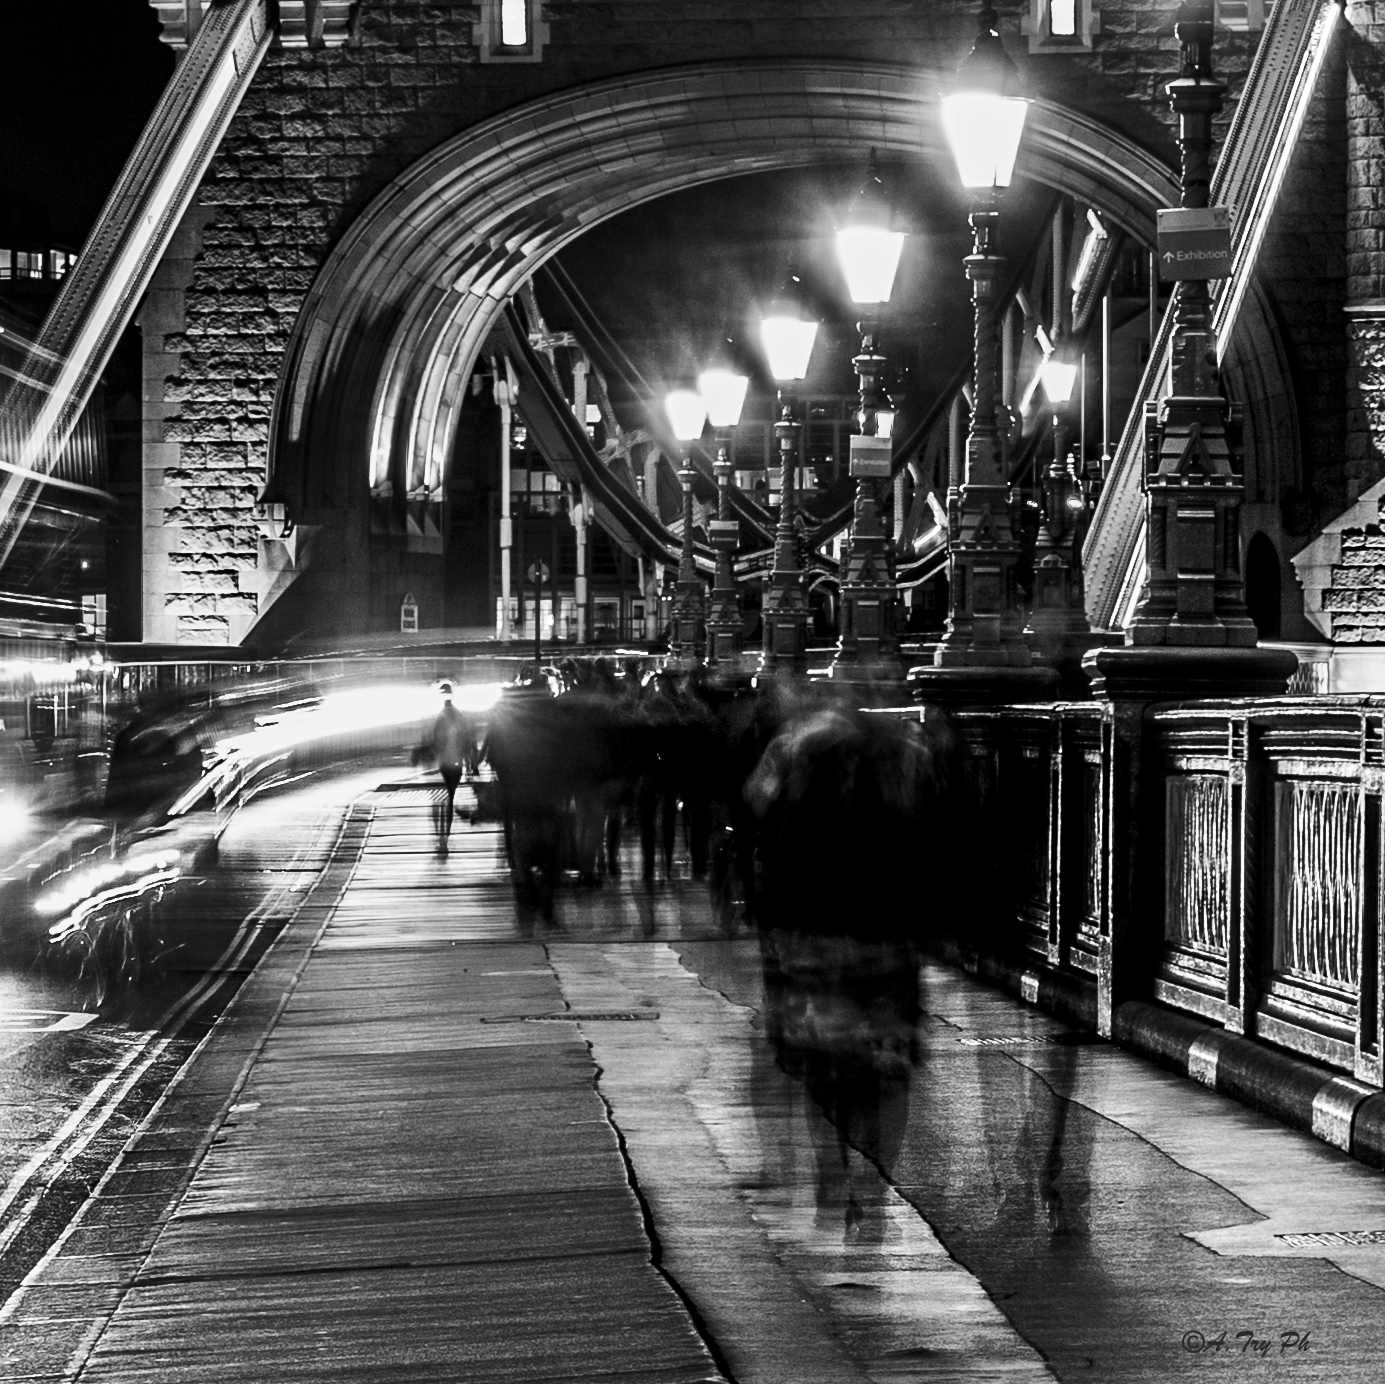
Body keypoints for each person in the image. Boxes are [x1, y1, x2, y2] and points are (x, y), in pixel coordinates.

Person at [431, 681, 474, 848]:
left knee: (441, 800)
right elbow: (467, 740)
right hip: (456, 763)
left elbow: (434, 741)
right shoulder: (459, 716)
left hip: (443, 762)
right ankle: (446, 835)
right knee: (449, 796)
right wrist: (469, 763)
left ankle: (441, 836)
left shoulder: (438, 717)